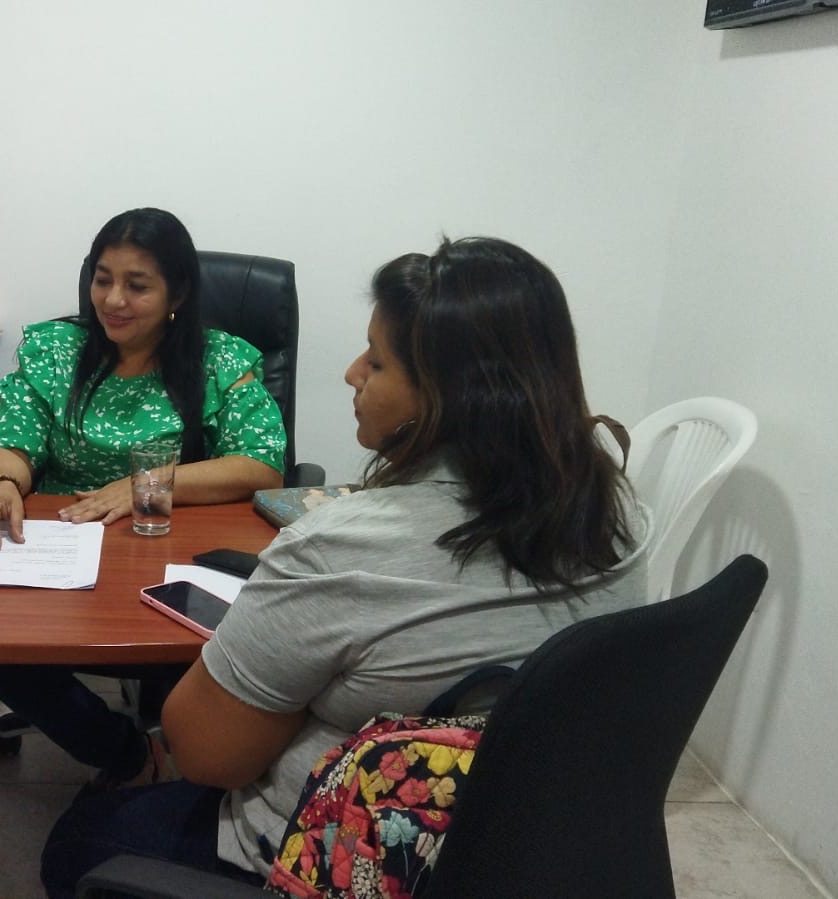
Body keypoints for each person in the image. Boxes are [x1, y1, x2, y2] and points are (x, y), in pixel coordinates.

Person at [37, 236, 653, 896]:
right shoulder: (615, 507)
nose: (352, 373)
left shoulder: (340, 545)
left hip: (348, 851)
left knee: (78, 843)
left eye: (378, 361)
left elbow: (208, 755)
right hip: (534, 839)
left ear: (450, 396)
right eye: (103, 279)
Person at [0, 208, 287, 791]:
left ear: (177, 294)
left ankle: (185, 765)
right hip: (63, 549)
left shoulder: (221, 359)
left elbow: (261, 463)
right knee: (10, 666)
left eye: (137, 285)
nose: (113, 300)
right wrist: (4, 483)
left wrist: (144, 484)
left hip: (170, 549)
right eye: (102, 279)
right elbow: (9, 441)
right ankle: (130, 755)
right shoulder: (55, 350)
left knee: (211, 655)